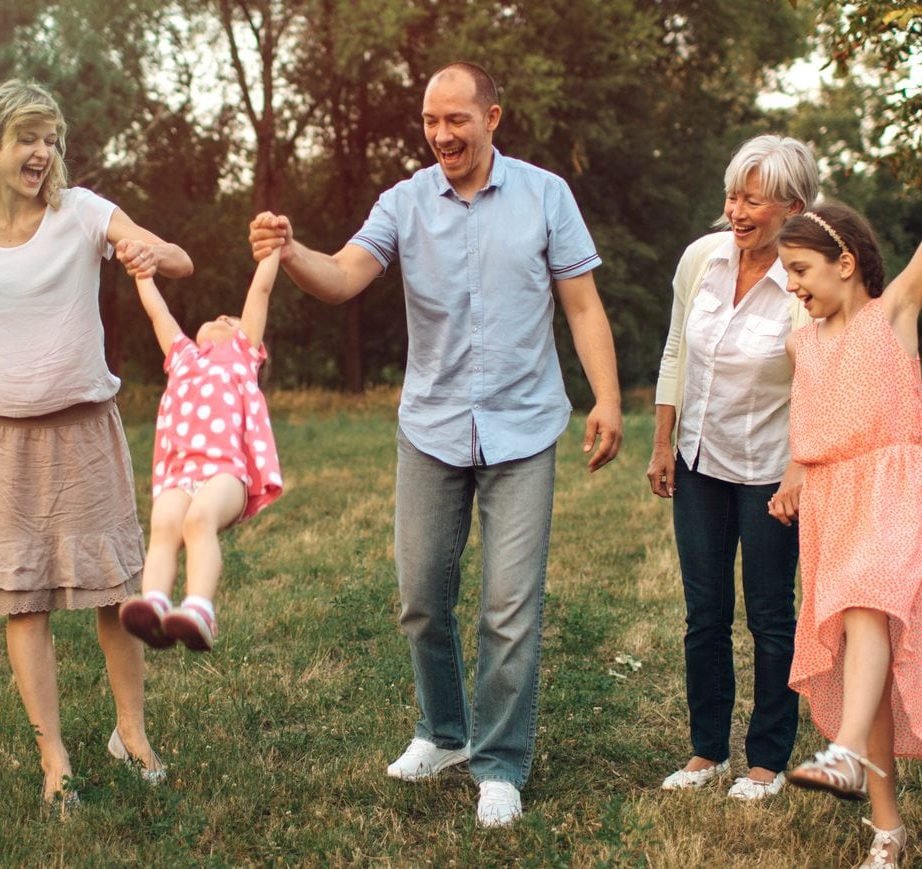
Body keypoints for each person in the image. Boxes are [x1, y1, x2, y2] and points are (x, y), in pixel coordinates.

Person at [247, 61, 624, 828]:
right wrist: (289, 253)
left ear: (493, 116)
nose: (442, 134)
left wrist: (608, 399)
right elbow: (343, 275)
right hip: (432, 426)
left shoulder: (546, 195)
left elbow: (581, 305)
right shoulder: (403, 202)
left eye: (457, 119)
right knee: (422, 598)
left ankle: (500, 763)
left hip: (522, 426)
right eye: (430, 121)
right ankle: (443, 732)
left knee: (508, 606)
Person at [0, 79, 186, 809]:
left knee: (113, 589)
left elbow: (178, 259)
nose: (42, 153)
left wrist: (149, 251)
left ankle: (130, 733)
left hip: (83, 427)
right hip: (1, 438)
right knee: (22, 599)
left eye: (50, 139)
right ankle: (55, 760)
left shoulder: (83, 214)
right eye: (28, 139)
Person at [766, 105, 922, 868]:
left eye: (798, 270)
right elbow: (815, 424)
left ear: (842, 260)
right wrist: (795, 476)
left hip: (894, 488)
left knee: (867, 599)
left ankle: (837, 753)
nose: (791, 286)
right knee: (855, 658)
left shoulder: (893, 311)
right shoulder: (803, 344)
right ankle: (886, 828)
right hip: (833, 503)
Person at [646, 134, 817, 801]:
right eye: (731, 195)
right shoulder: (700, 260)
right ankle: (705, 751)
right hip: (697, 461)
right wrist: (663, 442)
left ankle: (765, 761)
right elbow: (672, 352)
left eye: (752, 198)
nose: (735, 210)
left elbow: (819, 381)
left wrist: (800, 469)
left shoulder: (806, 278)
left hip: (771, 471)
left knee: (771, 615)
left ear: (792, 206)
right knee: (704, 610)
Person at [118, 251, 286, 652]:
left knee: (198, 522)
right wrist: (143, 276)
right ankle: (154, 606)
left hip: (226, 473)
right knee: (163, 527)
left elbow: (260, 290)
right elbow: (159, 315)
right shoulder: (183, 358)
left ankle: (199, 610)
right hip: (179, 474)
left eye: (230, 321)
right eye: (218, 318)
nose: (220, 319)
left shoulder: (242, 356)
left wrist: (274, 250)